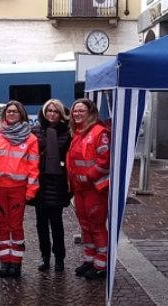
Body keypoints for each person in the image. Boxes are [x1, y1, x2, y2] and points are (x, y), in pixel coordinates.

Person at [0, 100, 39, 278]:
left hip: (18, 188)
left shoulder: (31, 138)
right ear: (4, 114)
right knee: (2, 225)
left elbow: (34, 165)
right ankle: (5, 262)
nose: (11, 114)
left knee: (16, 226)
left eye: (15, 111)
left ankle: (16, 263)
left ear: (21, 114)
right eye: (9, 111)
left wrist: (31, 189)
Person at [66, 98, 110, 280]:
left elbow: (105, 159)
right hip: (80, 188)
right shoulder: (79, 132)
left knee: (97, 225)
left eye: (81, 111)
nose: (77, 114)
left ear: (90, 113)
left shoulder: (99, 132)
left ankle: (101, 264)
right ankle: (90, 259)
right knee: (85, 225)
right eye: (75, 111)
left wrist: (88, 177)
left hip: (94, 188)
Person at [30, 99, 72, 272]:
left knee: (56, 223)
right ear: (44, 112)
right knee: (41, 224)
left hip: (58, 182)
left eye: (55, 111)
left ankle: (59, 257)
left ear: (61, 113)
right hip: (40, 182)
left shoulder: (67, 132)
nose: (52, 114)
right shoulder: (36, 130)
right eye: (49, 111)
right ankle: (44, 256)